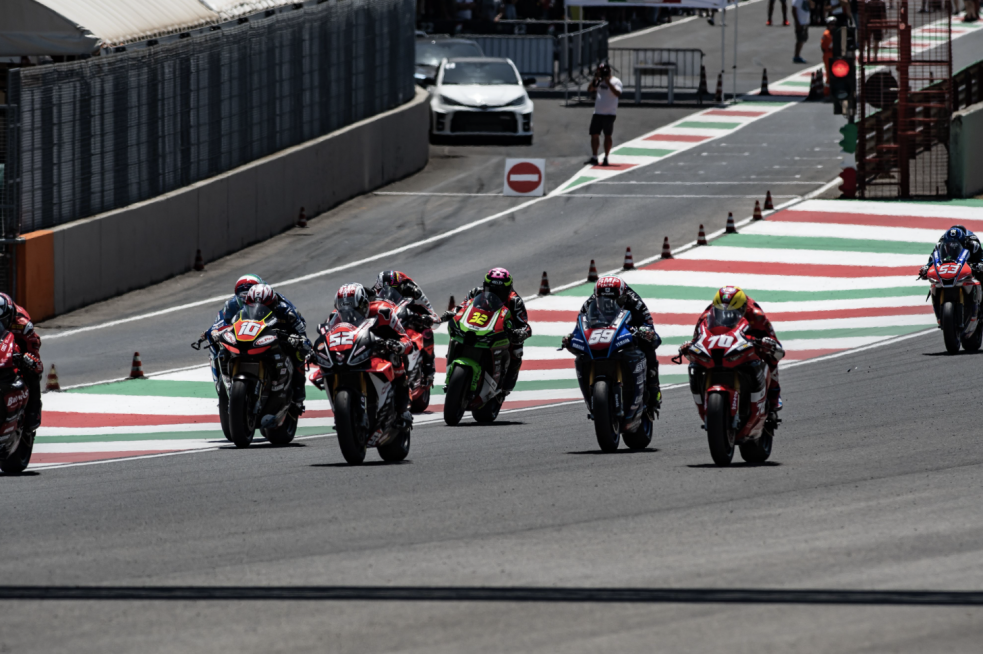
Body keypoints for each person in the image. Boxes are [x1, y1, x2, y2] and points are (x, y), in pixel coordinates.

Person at [204, 276, 310, 412]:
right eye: (251, 303)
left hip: (278, 337)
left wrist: (298, 339)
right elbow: (223, 322)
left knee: (299, 354)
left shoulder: (285, 308)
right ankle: (225, 387)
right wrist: (216, 332)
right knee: (221, 346)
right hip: (252, 337)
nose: (257, 307)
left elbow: (301, 330)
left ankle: (298, 398)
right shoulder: (235, 306)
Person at [562, 276, 662, 419]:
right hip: (603, 335)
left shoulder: (635, 302)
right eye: (603, 299)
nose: (609, 304)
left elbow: (650, 327)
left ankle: (654, 391)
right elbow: (579, 327)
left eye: (616, 300)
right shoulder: (589, 303)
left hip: (628, 333)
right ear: (597, 297)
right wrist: (571, 338)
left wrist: (646, 332)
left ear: (623, 295)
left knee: (648, 346)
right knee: (581, 355)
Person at [686, 286, 784, 416]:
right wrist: (690, 346)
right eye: (720, 310)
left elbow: (775, 344)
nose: (726, 313)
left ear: (743, 307)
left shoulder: (756, 314)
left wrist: (768, 343)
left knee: (770, 356)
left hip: (747, 342)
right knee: (696, 363)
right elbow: (697, 337)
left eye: (734, 310)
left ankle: (773, 394)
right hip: (723, 342)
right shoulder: (707, 313)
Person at [330, 283, 414, 429]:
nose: (349, 315)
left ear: (364, 305)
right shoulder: (335, 317)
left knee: (396, 361)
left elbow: (405, 338)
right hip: (354, 353)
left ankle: (402, 410)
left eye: (355, 310)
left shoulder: (383, 312)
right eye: (344, 311)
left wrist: (398, 345)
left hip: (380, 351)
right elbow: (327, 335)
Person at [442, 267, 531, 396]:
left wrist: (521, 333)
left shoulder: (515, 301)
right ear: (485, 286)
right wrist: (451, 313)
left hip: (505, 333)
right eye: (491, 290)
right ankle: (451, 373)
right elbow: (462, 307)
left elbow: (525, 325)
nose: (495, 294)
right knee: (455, 336)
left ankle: (506, 387)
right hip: (478, 327)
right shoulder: (475, 292)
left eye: (500, 291)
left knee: (517, 351)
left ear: (508, 289)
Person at [372, 270, 441, 379]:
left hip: (406, 311)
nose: (388, 293)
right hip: (390, 313)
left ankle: (429, 368)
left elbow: (435, 319)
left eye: (396, 289)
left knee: (426, 331)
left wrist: (427, 319)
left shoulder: (412, 290)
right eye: (383, 291)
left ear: (401, 287)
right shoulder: (374, 291)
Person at [0, 293, 43, 432]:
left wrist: (26, 358)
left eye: (2, 321)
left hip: (17, 346)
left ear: (10, 316)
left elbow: (34, 351)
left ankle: (34, 411)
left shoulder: (22, 324)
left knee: (33, 368)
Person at [585, 62, 623, 167]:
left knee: (607, 135)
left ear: (609, 71)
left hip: (610, 113)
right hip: (597, 112)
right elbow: (590, 89)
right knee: (594, 134)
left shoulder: (616, 81)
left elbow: (618, 93)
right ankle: (594, 157)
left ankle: (606, 157)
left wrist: (608, 83)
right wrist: (596, 79)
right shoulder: (599, 81)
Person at [821, 15, 836, 96]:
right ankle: (827, 92)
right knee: (829, 74)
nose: (833, 26)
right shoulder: (827, 34)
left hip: (833, 54)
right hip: (828, 54)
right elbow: (831, 45)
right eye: (831, 24)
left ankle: (832, 90)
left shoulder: (834, 33)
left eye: (834, 24)